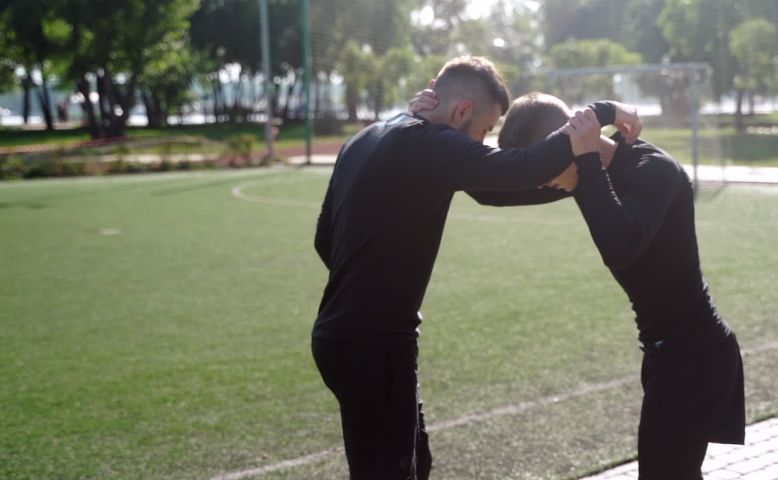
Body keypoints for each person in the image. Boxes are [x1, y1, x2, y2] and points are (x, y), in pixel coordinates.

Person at [313, 57, 642, 480]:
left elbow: (325, 241)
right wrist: (602, 115)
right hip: (373, 347)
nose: (484, 142)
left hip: (339, 339)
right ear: (462, 111)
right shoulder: (427, 144)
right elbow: (520, 169)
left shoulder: (367, 138)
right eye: (486, 130)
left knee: (412, 462)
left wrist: (582, 185)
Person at [411, 91, 746, 479]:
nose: (541, 182)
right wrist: (433, 124)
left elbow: (621, 246)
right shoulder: (579, 173)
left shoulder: (652, 169)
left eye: (544, 168)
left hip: (696, 356)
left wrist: (585, 158)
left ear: (568, 145)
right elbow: (490, 192)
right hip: (664, 353)